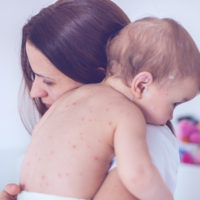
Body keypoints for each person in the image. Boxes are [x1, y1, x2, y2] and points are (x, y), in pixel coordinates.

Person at [0, 0, 193, 199]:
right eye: (35, 76)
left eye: (48, 81)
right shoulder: (99, 123)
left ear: (95, 73)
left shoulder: (143, 136)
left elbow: (138, 177)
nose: (34, 92)